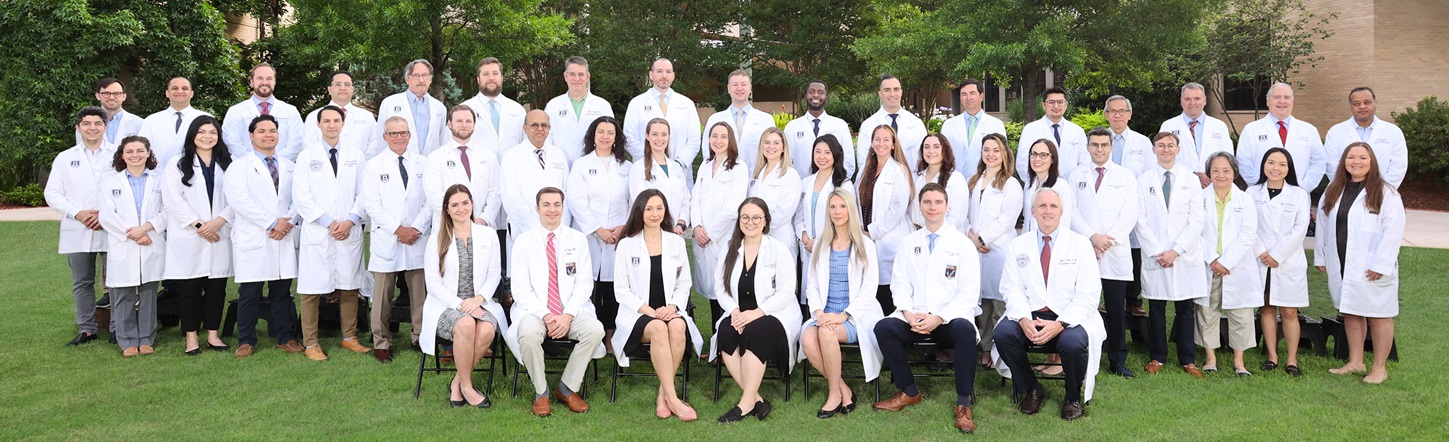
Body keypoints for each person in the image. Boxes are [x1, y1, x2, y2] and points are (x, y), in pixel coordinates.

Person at [871, 184, 981, 433]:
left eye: (938, 202)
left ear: (947, 206)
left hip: (948, 319)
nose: (933, 207)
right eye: (927, 202)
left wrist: (939, 317)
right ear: (920, 206)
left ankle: (963, 402)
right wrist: (908, 313)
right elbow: (900, 283)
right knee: (884, 328)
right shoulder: (909, 242)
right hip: (916, 316)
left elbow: (969, 292)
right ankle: (909, 390)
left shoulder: (963, 245)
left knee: (965, 330)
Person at [994, 188, 1105, 421]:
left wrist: (1061, 324)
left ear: (1061, 212)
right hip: (1031, 313)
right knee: (1003, 334)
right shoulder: (1018, 245)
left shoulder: (1080, 244)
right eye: (1042, 206)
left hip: (1068, 316)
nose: (1047, 211)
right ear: (1033, 211)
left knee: (1073, 343)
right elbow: (1011, 288)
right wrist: (1023, 319)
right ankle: (1031, 388)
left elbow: (1088, 293)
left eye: (1053, 206)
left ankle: (1072, 397)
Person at [507, 188, 605, 416]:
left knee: (595, 330)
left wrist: (567, 315)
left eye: (557, 204)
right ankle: (541, 392)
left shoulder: (578, 239)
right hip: (535, 311)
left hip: (571, 310)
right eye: (546, 205)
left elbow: (584, 284)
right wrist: (547, 315)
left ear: (563, 207)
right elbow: (520, 289)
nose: (552, 210)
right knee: (528, 333)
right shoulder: (523, 242)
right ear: (537, 208)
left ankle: (567, 387)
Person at [611, 188, 704, 421]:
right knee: (660, 328)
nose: (655, 214)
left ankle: (664, 395)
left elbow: (684, 283)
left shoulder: (676, 242)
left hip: (669, 310)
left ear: (665, 211)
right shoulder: (626, 245)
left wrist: (672, 307)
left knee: (678, 326)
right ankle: (675, 400)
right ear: (639, 212)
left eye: (659, 208)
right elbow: (621, 290)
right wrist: (650, 311)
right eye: (649, 209)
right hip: (637, 314)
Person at [1315, 142, 1405, 384]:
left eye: (1362, 158)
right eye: (1351, 157)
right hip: (1342, 261)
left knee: (1379, 315)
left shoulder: (1385, 192)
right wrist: (1321, 256)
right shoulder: (1334, 189)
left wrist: (1381, 264)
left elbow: (1393, 231)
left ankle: (1380, 368)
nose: (1356, 162)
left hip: (1371, 265)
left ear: (1372, 161)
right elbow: (1322, 224)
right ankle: (1356, 361)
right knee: (1351, 312)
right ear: (1344, 161)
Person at [712, 198, 801, 424]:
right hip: (739, 312)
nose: (750, 222)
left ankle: (744, 404)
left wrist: (757, 313)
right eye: (745, 217)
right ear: (739, 220)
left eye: (756, 218)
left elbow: (786, 291)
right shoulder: (730, 248)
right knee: (726, 331)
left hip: (773, 313)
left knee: (755, 332)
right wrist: (733, 311)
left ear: (765, 221)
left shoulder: (778, 249)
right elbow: (720, 287)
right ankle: (756, 399)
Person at [293, 105, 371, 361]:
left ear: (343, 123)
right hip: (318, 231)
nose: (331, 125)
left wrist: (350, 220)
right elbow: (301, 196)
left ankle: (349, 337)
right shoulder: (306, 156)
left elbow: (364, 192)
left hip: (348, 229)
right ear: (318, 124)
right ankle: (311, 343)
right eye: (326, 121)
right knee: (311, 289)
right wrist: (328, 222)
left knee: (349, 286)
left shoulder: (356, 155)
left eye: (336, 120)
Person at [223, 115, 302, 358]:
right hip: (254, 235)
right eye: (262, 131)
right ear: (251, 136)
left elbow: (300, 197)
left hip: (283, 234)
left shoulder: (290, 166)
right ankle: (246, 340)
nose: (268, 135)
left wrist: (288, 221)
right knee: (250, 292)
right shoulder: (239, 167)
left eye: (272, 131)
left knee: (282, 291)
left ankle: (285, 337)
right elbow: (239, 201)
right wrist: (272, 222)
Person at [799, 189, 882, 419]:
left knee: (826, 334)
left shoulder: (865, 244)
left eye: (842, 206)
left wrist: (843, 315)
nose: (837, 212)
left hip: (854, 315)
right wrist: (818, 312)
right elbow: (812, 285)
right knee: (808, 339)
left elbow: (869, 289)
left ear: (851, 210)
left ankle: (834, 394)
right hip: (825, 313)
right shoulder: (820, 243)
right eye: (833, 207)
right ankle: (844, 389)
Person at [422, 184, 507, 408]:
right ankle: (468, 387)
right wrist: (461, 304)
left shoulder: (487, 234)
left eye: (465, 203)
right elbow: (432, 282)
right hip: (446, 305)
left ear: (472, 204)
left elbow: (494, 274)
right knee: (466, 324)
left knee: (487, 329)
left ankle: (457, 383)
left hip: (480, 301)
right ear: (447, 209)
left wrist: (478, 300)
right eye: (455, 205)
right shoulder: (437, 238)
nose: (461, 209)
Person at [1068, 127, 1139, 378]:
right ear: (1088, 147)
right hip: (1085, 250)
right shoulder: (1075, 175)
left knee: (1116, 309)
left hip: (1114, 252)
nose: (1099, 149)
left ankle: (1118, 360)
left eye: (1104, 145)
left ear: (1111, 147)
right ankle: (1082, 352)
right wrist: (1092, 238)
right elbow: (1072, 212)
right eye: (1095, 145)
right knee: (1080, 305)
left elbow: (1130, 214)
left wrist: (1106, 241)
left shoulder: (1126, 176)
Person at [1135, 132, 1208, 378]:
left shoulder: (1191, 180)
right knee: (1156, 308)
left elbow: (1197, 220)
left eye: (1170, 145)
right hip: (1156, 256)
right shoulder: (1143, 180)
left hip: (1183, 255)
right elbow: (1140, 220)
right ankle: (1157, 357)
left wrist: (1175, 251)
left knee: (1185, 309)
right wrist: (1159, 252)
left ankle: (1188, 359)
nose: (1166, 149)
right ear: (1153, 149)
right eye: (1161, 145)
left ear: (1178, 149)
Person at [161, 116, 234, 355]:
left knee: (217, 288)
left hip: (219, 231)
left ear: (218, 136)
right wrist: (200, 225)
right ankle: (191, 337)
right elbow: (173, 199)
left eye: (212, 132)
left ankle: (213, 335)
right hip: (190, 234)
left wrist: (219, 222)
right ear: (193, 134)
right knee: (189, 289)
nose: (207, 137)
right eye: (202, 132)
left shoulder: (228, 162)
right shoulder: (177, 163)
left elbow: (238, 197)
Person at [360, 117, 431, 362]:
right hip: (388, 237)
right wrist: (398, 229)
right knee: (382, 296)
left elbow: (430, 200)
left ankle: (420, 336)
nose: (399, 137)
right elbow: (371, 204)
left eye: (403, 133)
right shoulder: (373, 165)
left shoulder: (423, 163)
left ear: (409, 135)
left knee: (419, 294)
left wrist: (416, 228)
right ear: (385, 137)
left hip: (416, 237)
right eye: (393, 133)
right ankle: (381, 341)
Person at [45, 106, 116, 346]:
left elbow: (126, 189)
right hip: (78, 228)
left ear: (105, 127)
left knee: (116, 281)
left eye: (97, 123)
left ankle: (117, 328)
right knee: (82, 282)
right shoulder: (65, 158)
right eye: (86, 123)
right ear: (78, 127)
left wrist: (105, 215)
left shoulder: (118, 154)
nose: (92, 128)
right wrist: (79, 214)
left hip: (111, 227)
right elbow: (53, 193)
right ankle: (87, 328)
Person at [566, 116, 631, 354]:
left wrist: (624, 227)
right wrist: (597, 229)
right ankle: (590, 334)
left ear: (616, 138)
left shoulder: (627, 167)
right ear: (593, 136)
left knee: (614, 287)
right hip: (590, 236)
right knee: (589, 286)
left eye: (610, 132)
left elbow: (633, 200)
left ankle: (611, 336)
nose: (605, 136)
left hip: (618, 235)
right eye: (600, 132)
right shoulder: (581, 165)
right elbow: (576, 201)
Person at [98, 136, 166, 357]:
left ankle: (146, 339)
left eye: (140, 151)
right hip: (123, 243)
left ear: (148, 153)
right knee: (122, 293)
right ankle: (126, 340)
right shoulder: (110, 182)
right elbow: (107, 216)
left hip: (151, 240)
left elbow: (167, 211)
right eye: (129, 151)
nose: (135, 155)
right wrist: (134, 235)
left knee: (148, 294)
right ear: (122, 155)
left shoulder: (159, 180)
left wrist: (145, 229)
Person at [1197, 152, 1262, 376]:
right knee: (1207, 311)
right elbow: (1195, 230)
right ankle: (1210, 358)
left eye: (1226, 170)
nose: (1221, 175)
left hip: (1236, 265)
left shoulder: (1245, 199)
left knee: (1241, 313)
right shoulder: (1199, 198)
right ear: (1209, 173)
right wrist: (1213, 259)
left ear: (1234, 172)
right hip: (1209, 263)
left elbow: (1248, 234)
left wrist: (1226, 261)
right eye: (1215, 170)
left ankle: (1239, 361)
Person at [1250, 148, 1311, 377]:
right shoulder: (1251, 192)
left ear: (1289, 168)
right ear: (1264, 165)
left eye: (1282, 164)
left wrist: (1277, 254)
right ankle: (1272, 356)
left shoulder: (1299, 194)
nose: (1275, 168)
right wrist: (1262, 252)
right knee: (1266, 308)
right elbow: (1247, 225)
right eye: (1271, 162)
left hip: (1287, 261)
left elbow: (1300, 228)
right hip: (1261, 260)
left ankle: (1292, 360)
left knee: (1289, 311)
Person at [965, 133, 1023, 369]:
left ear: (1005, 153)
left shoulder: (1011, 184)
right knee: (981, 305)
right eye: (986, 150)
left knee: (999, 304)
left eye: (996, 150)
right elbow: (965, 214)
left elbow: (1007, 219)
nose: (991, 154)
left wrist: (981, 238)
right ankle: (985, 349)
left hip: (998, 250)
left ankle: (1001, 352)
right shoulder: (973, 181)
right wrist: (971, 236)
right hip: (975, 249)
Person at [692, 122, 751, 325]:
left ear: (731, 140)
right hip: (702, 236)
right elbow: (695, 198)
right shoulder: (705, 165)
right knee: (712, 292)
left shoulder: (739, 168)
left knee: (726, 289)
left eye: (723, 137)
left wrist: (709, 233)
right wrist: (696, 227)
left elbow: (733, 207)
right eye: (714, 136)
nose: (718, 141)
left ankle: (726, 336)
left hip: (723, 236)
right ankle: (715, 335)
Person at [857, 125, 915, 315]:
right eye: (877, 139)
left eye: (886, 140)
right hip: (865, 237)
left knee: (887, 290)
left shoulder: (899, 170)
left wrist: (872, 231)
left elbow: (897, 209)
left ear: (893, 145)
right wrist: (861, 231)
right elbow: (858, 202)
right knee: (869, 286)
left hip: (889, 239)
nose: (881, 143)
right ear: (872, 143)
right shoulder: (865, 170)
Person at [501, 109, 571, 252]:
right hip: (524, 230)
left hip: (556, 230)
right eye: (534, 125)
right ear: (525, 128)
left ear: (549, 129)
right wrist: (537, 230)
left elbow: (567, 193)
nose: (540, 129)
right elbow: (511, 199)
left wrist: (558, 227)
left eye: (544, 125)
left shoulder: (559, 155)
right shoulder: (511, 156)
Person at [424, 105, 502, 232]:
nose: (464, 125)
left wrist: (484, 219)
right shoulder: (435, 158)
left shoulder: (488, 155)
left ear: (474, 124)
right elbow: (434, 196)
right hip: (449, 228)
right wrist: (461, 220)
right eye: (459, 121)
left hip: (482, 227)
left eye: (468, 121)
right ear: (449, 124)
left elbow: (496, 192)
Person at [1235, 83, 1327, 188]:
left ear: (1292, 102)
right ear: (1268, 101)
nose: (1282, 101)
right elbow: (1243, 162)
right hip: (1261, 193)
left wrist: (1304, 187)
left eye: (1287, 97)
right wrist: (1259, 186)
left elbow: (1319, 161)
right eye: (1277, 97)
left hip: (1299, 191)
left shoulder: (1309, 130)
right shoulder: (1251, 130)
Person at [623, 58, 701, 181]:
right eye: (659, 71)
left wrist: (679, 164)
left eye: (668, 72)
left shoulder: (687, 104)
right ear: (651, 75)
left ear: (673, 76)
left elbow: (694, 140)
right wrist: (652, 161)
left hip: (679, 173)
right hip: (646, 171)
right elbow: (629, 138)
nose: (664, 75)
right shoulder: (637, 103)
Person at [1323, 87, 1408, 188]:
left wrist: (1383, 189)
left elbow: (1398, 165)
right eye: (1356, 104)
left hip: (1382, 190)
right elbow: (1331, 164)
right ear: (1351, 106)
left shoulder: (1393, 131)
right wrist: (1349, 188)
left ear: (1375, 102)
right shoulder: (1335, 131)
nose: (1362, 106)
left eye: (1367, 102)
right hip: (1345, 189)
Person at [796, 135, 855, 272]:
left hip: (833, 247)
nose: (822, 157)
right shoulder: (806, 183)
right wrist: (803, 234)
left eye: (827, 152)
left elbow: (846, 219)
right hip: (808, 247)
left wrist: (818, 243)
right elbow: (799, 215)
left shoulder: (844, 185)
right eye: (818, 152)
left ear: (835, 154)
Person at [222, 63, 304, 160]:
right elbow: (231, 143)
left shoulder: (290, 111)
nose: (265, 82)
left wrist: (274, 162)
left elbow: (297, 143)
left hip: (283, 166)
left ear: (274, 82)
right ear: (251, 82)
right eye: (260, 78)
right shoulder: (235, 111)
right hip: (246, 166)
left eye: (269, 78)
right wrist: (256, 162)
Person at [1158, 83, 1232, 186]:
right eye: (1187, 99)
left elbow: (1228, 157)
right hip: (1181, 183)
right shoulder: (1168, 126)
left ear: (1204, 100)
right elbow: (1164, 157)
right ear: (1181, 101)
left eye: (1197, 98)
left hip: (1213, 183)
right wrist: (1194, 175)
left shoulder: (1219, 126)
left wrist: (1211, 175)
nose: (1192, 103)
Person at [545, 56, 614, 165]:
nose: (576, 79)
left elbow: (611, 137)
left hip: (593, 166)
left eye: (581, 74)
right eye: (572, 74)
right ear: (565, 76)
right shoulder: (553, 106)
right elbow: (546, 137)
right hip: (559, 165)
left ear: (588, 77)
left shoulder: (602, 105)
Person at [628, 118, 692, 234]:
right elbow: (641, 204)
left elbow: (685, 200)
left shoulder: (676, 168)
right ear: (647, 136)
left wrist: (681, 223)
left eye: (664, 134)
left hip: (676, 232)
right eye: (655, 134)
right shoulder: (638, 168)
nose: (659, 139)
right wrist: (665, 228)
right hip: (650, 233)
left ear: (669, 137)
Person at [702, 70, 775, 171]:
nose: (739, 88)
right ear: (728, 88)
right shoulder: (715, 119)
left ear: (750, 88)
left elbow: (773, 152)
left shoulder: (766, 120)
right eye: (735, 84)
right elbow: (707, 151)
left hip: (757, 176)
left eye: (743, 84)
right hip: (724, 176)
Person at [374, 59, 449, 157]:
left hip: (430, 163)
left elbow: (441, 140)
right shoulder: (389, 103)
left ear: (430, 79)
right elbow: (381, 139)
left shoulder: (440, 108)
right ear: (407, 79)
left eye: (425, 75)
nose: (421, 80)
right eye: (416, 76)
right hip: (397, 162)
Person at [749, 128, 803, 262]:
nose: (771, 147)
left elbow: (784, 212)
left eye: (776, 143)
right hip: (756, 238)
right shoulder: (755, 174)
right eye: (767, 142)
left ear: (783, 147)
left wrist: (759, 226)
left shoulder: (790, 175)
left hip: (779, 238)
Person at [784, 81, 855, 178]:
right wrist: (795, 183)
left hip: (833, 184)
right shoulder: (792, 127)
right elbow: (786, 161)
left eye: (820, 92)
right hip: (800, 184)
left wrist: (836, 183)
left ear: (826, 97)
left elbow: (848, 161)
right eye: (811, 92)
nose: (816, 95)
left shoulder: (840, 125)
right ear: (805, 96)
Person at [856, 75, 927, 170]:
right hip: (879, 179)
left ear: (901, 92)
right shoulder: (868, 125)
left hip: (912, 178)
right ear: (880, 94)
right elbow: (863, 163)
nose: (892, 94)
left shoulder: (916, 123)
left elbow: (925, 159)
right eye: (887, 90)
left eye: (896, 89)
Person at [461, 57, 528, 155]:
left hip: (511, 164)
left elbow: (526, 141)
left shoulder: (518, 109)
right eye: (486, 74)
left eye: (495, 73)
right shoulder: (464, 109)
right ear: (478, 79)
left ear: (502, 78)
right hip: (477, 164)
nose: (491, 78)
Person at [137, 76, 210, 164]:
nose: (180, 91)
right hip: (159, 171)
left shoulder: (206, 118)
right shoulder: (151, 120)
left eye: (184, 88)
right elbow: (140, 148)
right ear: (167, 93)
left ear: (191, 94)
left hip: (196, 170)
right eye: (175, 88)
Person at [1016, 87, 1086, 179]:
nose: (1056, 106)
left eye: (1060, 102)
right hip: (1040, 185)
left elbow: (1085, 162)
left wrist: (1075, 183)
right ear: (1043, 105)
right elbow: (1023, 163)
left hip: (1071, 185)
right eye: (1051, 102)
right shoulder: (1030, 130)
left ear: (1066, 105)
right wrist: (1038, 183)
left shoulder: (1077, 131)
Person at [940, 79, 1006, 173]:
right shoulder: (949, 125)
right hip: (954, 178)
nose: (968, 98)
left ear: (981, 96)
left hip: (985, 178)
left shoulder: (996, 125)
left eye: (972, 93)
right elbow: (942, 155)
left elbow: (1002, 156)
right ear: (960, 98)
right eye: (964, 94)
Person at [303, 71, 377, 154]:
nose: (342, 88)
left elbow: (374, 146)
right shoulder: (313, 117)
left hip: (362, 162)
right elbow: (309, 149)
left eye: (347, 84)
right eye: (338, 84)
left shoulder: (367, 116)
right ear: (329, 89)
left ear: (353, 89)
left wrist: (360, 161)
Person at [910, 134, 968, 231]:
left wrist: (933, 233)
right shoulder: (916, 177)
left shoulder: (956, 179)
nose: (931, 151)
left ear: (945, 150)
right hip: (916, 233)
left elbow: (957, 217)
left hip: (945, 235)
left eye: (936, 147)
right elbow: (910, 210)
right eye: (926, 147)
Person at [1022, 139, 1077, 236]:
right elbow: (1027, 219)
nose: (1037, 159)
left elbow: (1065, 222)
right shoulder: (1029, 183)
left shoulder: (1061, 186)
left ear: (1052, 159)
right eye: (1034, 154)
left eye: (1043, 155)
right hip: (1030, 239)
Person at [88, 78, 143, 145]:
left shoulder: (139, 124)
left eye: (116, 93)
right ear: (98, 96)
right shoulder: (85, 124)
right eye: (106, 93)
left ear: (124, 96)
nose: (111, 97)